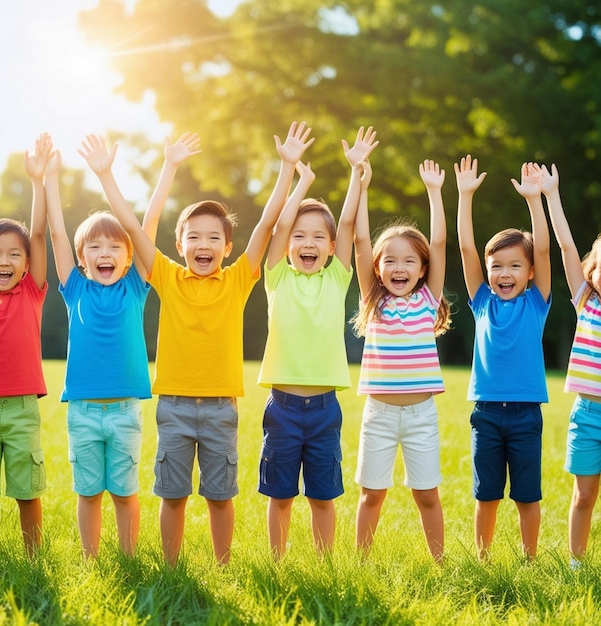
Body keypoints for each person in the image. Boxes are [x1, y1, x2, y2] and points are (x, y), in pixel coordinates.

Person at [78, 122, 315, 566]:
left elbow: (266, 224)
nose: (202, 244)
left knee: (220, 496)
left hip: (222, 407)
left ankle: (223, 566)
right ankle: (172, 567)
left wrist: (286, 169)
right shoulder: (166, 276)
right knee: (173, 495)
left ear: (227, 247)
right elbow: (132, 224)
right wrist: (106, 175)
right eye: (193, 236)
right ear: (179, 244)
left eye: (212, 238)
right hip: (174, 407)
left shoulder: (239, 279)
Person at [258, 127, 379, 559]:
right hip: (283, 407)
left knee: (323, 496)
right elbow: (278, 222)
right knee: (281, 496)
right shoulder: (276, 277)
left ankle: (325, 563)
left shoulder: (336, 277)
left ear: (330, 248)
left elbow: (348, 223)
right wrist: (297, 178)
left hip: (325, 408)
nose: (306, 243)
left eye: (317, 238)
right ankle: (278, 561)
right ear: (288, 244)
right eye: (298, 236)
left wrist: (355, 174)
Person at [45, 143, 157, 558]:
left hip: (126, 410)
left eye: (114, 247)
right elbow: (57, 232)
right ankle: (91, 560)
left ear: (129, 258)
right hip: (84, 412)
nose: (104, 253)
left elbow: (148, 225)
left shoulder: (134, 287)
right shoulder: (74, 287)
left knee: (125, 494)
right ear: (81, 258)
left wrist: (166, 170)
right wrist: (52, 178)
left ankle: (128, 558)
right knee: (89, 492)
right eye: (94, 247)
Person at [352, 158, 449, 563]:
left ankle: (440, 563)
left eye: (409, 261)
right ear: (377, 267)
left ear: (423, 269)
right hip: (379, 414)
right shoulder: (373, 301)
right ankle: (360, 563)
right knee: (371, 494)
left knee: (427, 494)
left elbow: (441, 243)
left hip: (421, 416)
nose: (399, 267)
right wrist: (361, 183)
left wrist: (434, 191)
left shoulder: (428, 300)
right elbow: (358, 240)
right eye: (389, 260)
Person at [455, 155, 551, 561]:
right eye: (497, 266)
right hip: (486, 413)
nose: (504, 273)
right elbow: (464, 247)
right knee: (486, 494)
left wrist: (535, 200)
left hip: (527, 414)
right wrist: (464, 196)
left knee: (527, 495)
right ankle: (483, 559)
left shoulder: (537, 303)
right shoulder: (482, 304)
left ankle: (530, 560)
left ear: (530, 273)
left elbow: (544, 248)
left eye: (515, 265)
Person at [0, 133, 51, 557]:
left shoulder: (32, 292)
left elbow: (37, 234)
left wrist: (37, 182)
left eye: (13, 255)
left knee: (27, 491)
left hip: (23, 406)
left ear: (25, 264)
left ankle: (34, 559)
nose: (4, 261)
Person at [542, 163, 601, 568]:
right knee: (583, 495)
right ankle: (577, 563)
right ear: (592, 270)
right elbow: (564, 246)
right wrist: (551, 195)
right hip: (588, 413)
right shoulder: (587, 302)